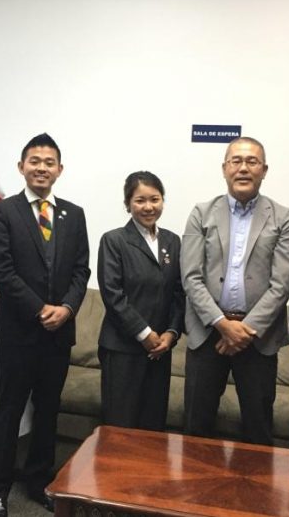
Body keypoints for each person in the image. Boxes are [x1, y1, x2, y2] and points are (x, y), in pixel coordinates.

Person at [0, 133, 90, 517]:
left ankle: (40, 481)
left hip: (58, 335)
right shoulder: (3, 212)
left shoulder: (74, 214)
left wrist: (67, 308)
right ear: (21, 166)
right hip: (18, 334)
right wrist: (40, 309)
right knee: (8, 411)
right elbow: (1, 271)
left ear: (60, 169)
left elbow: (81, 271)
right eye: (35, 161)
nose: (42, 168)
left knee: (48, 411)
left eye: (49, 162)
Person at [181, 136, 289, 445]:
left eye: (252, 161)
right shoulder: (201, 213)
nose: (243, 168)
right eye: (236, 161)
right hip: (207, 332)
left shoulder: (283, 218)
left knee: (258, 429)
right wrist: (222, 324)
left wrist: (243, 331)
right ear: (224, 168)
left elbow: (282, 284)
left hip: (257, 338)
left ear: (264, 170)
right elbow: (191, 277)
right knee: (196, 425)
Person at [97, 171, 185, 431]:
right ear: (128, 204)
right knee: (120, 427)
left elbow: (179, 293)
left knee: (153, 427)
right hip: (122, 349)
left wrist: (171, 333)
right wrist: (144, 333)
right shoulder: (114, 240)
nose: (148, 207)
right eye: (140, 200)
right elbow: (112, 294)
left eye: (155, 199)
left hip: (160, 350)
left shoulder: (172, 241)